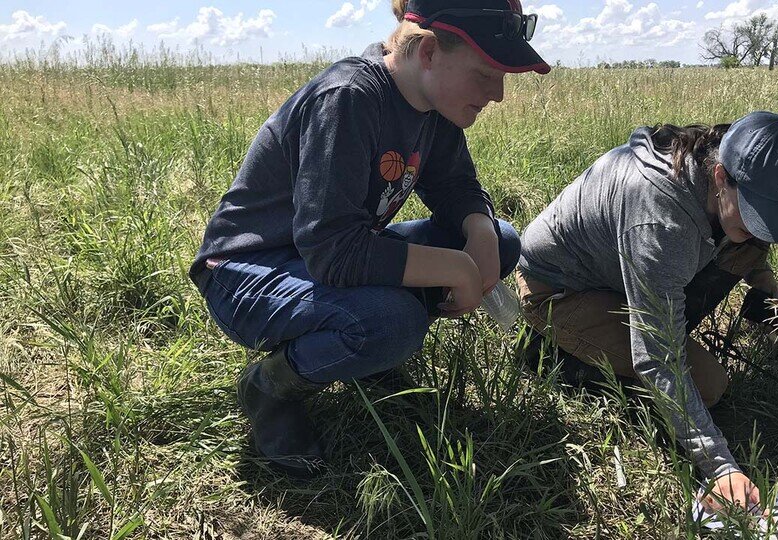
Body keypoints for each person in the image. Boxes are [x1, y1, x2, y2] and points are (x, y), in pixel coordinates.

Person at [189, 0, 550, 474]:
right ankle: (269, 388)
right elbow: (332, 251)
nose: (499, 94)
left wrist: (478, 228)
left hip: (325, 255)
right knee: (392, 321)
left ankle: (365, 352)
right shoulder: (349, 98)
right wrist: (456, 268)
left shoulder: (430, 103)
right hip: (247, 275)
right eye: (486, 74)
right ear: (429, 51)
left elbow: (455, 186)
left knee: (500, 241)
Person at [516, 111, 778, 512]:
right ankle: (549, 352)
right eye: (755, 215)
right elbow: (658, 359)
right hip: (561, 291)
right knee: (708, 384)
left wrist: (768, 293)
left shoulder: (710, 172)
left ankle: (649, 321)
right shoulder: (662, 222)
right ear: (722, 176)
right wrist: (720, 467)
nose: (763, 231)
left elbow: (749, 245)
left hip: (622, 273)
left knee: (743, 242)